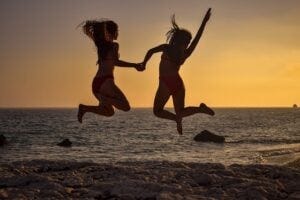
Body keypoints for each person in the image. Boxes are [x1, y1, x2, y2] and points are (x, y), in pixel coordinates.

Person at [142, 8, 214, 134]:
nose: (188, 43)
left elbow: (150, 51)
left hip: (166, 82)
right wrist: (204, 22)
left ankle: (176, 118)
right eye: (188, 41)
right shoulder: (186, 53)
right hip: (178, 83)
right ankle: (200, 109)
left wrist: (144, 63)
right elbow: (198, 37)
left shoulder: (167, 48)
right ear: (183, 41)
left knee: (157, 111)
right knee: (180, 111)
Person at [77, 20, 144, 123]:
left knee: (109, 112)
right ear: (114, 32)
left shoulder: (101, 46)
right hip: (106, 81)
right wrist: (134, 65)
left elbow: (112, 62)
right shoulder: (114, 46)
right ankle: (104, 98)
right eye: (117, 30)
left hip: (97, 83)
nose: (118, 33)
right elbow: (115, 62)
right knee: (126, 106)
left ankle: (85, 108)